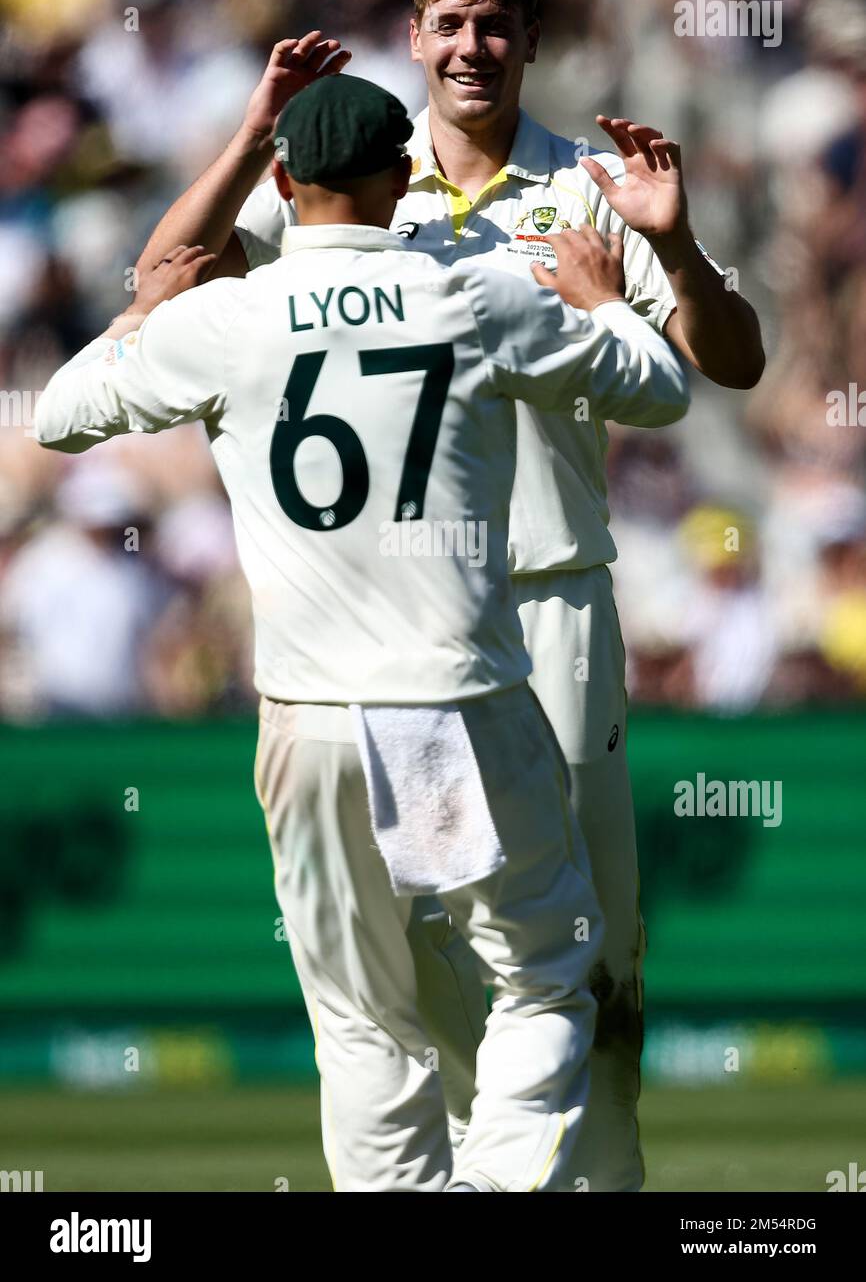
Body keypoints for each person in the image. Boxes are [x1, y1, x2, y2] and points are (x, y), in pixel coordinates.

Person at [132, 0, 764, 1191]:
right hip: (398, 629)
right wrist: (261, 130)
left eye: (495, 25)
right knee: (425, 967)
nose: (471, 46)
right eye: (449, 24)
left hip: (549, 607)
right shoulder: (350, 174)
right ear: (415, 38)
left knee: (581, 959)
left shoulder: (589, 190)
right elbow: (160, 282)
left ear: (530, 41)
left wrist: (677, 250)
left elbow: (731, 363)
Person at [35, 75, 690, 1192]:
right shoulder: (475, 293)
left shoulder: (223, 321)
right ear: (402, 181)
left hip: (311, 714)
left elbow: (56, 414)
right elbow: (660, 387)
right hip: (462, 698)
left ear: (283, 183)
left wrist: (144, 315)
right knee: (543, 977)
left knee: (360, 1019)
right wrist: (600, 300)